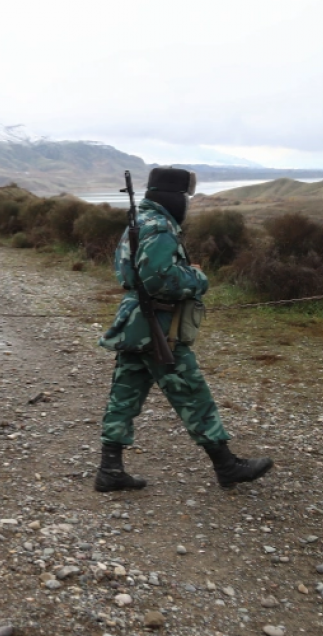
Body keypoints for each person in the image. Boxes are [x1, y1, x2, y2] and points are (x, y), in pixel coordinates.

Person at [95, 166, 273, 492]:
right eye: (185, 198)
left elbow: (130, 274)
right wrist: (197, 277)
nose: (187, 205)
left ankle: (110, 469)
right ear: (174, 198)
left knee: (124, 395)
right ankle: (226, 465)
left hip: (135, 324)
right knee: (192, 393)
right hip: (159, 326)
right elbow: (159, 279)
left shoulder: (139, 223)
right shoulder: (161, 228)